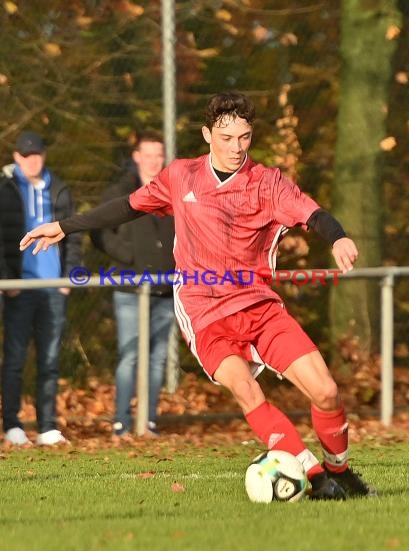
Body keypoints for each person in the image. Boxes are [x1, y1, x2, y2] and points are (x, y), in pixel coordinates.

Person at [20, 92, 374, 499]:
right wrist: (65, 226)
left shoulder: (267, 182)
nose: (236, 147)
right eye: (226, 138)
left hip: (258, 304)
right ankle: (316, 481)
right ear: (207, 135)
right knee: (245, 389)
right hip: (204, 310)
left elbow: (314, 214)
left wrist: (340, 236)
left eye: (244, 137)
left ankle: (340, 471)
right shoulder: (181, 176)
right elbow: (128, 206)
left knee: (326, 391)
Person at [91, 132, 175, 437]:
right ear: (136, 156)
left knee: (158, 358)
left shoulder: (173, 193)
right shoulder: (119, 192)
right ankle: (121, 422)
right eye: (148, 154)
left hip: (166, 289)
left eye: (159, 155)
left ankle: (148, 421)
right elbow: (99, 233)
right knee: (130, 355)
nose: (154, 161)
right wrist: (127, 256)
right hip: (129, 288)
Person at [0, 131, 81, 445]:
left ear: (43, 155)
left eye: (36, 154)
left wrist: (71, 277)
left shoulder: (59, 189)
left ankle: (47, 426)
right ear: (16, 157)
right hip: (19, 288)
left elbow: (74, 234)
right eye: (25, 155)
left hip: (54, 288)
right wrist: (8, 280)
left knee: (49, 360)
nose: (31, 160)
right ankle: (13, 425)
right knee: (16, 358)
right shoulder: (6, 190)